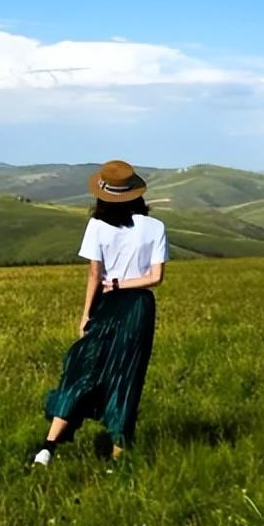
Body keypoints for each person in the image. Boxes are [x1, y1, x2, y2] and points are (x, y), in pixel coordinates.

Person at [34, 159, 167, 466]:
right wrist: (125, 284)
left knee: (82, 372)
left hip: (106, 304)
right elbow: (155, 278)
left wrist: (86, 314)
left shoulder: (96, 226)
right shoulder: (156, 227)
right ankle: (118, 460)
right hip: (139, 308)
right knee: (126, 378)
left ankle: (48, 448)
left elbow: (95, 275)